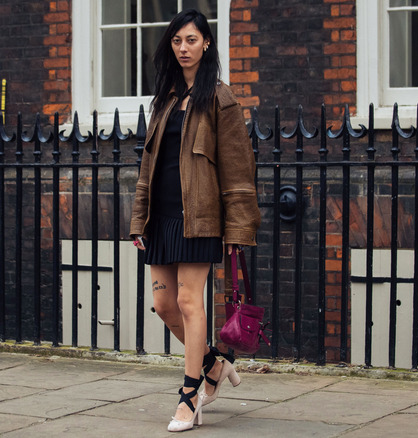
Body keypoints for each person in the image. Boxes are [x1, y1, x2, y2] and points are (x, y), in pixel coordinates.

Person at [129, 8, 261, 432]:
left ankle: (189, 397)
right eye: (176, 41)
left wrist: (237, 229)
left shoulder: (220, 98)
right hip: (162, 217)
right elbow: (149, 164)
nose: (183, 48)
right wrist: (139, 220)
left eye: (191, 40)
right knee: (164, 305)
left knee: (189, 302)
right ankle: (214, 364)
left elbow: (239, 170)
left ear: (206, 43)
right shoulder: (166, 98)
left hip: (199, 219)